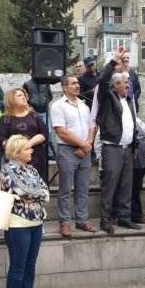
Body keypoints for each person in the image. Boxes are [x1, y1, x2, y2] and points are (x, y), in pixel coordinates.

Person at [0, 134, 49, 288]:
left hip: (36, 223)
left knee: (30, 266)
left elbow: (45, 191)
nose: (31, 151)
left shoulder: (31, 169)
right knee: (17, 268)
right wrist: (35, 193)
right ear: (17, 152)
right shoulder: (7, 168)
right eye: (28, 149)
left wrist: (35, 194)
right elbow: (22, 191)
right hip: (17, 224)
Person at [98, 46, 140, 233]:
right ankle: (105, 219)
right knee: (110, 185)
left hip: (127, 149)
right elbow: (103, 79)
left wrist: (135, 144)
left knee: (126, 185)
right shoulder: (108, 97)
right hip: (112, 148)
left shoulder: (129, 101)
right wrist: (115, 59)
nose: (128, 86)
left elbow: (132, 125)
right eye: (125, 83)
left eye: (129, 83)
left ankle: (124, 217)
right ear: (115, 85)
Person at [50, 75, 97, 237]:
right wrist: (83, 145)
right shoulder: (58, 106)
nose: (77, 86)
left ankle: (82, 220)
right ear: (64, 87)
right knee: (65, 189)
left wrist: (87, 144)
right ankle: (64, 222)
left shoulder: (84, 106)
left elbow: (93, 126)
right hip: (67, 151)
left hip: (85, 151)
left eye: (78, 83)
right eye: (74, 83)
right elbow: (61, 131)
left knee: (83, 188)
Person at [0, 88, 47, 180]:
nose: (24, 97)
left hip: (36, 156)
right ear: (11, 99)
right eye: (19, 95)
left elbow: (44, 133)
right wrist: (18, 148)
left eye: (24, 95)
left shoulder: (33, 114)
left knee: (37, 185)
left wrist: (29, 144)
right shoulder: (5, 118)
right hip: (16, 158)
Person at [22, 70, 54, 159]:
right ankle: (32, 153)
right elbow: (24, 97)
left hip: (44, 111)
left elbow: (50, 96)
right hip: (33, 112)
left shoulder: (45, 83)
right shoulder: (27, 84)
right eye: (31, 71)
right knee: (33, 133)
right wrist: (31, 105)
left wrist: (45, 102)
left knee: (49, 132)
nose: (32, 72)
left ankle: (49, 154)